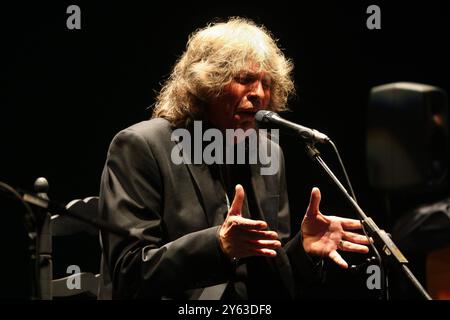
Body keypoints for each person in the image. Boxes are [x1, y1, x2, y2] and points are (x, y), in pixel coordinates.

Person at [99, 17, 370, 299]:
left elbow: (275, 274)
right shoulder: (141, 146)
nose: (259, 94)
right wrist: (218, 245)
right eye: (245, 80)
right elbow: (128, 272)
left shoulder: (266, 152)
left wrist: (303, 249)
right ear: (205, 84)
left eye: (267, 83)